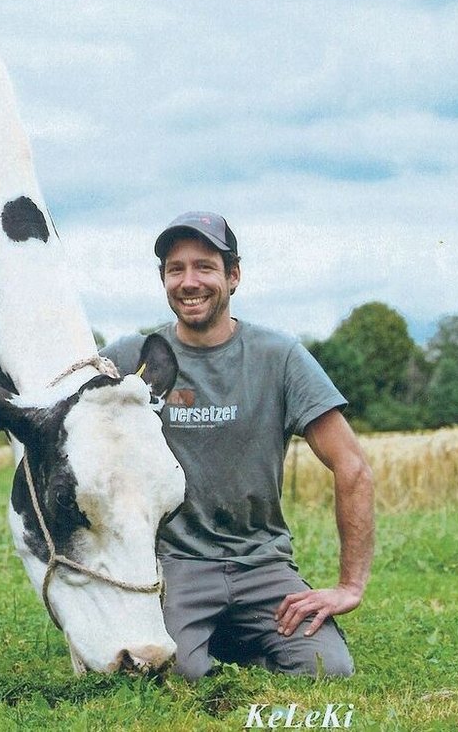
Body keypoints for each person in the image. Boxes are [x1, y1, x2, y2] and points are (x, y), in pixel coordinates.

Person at [101, 211, 374, 679]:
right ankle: (208, 635)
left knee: (327, 670)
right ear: (163, 279)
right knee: (174, 676)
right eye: (175, 269)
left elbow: (353, 467)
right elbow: (65, 424)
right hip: (175, 565)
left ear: (233, 275)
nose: (189, 282)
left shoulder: (279, 356)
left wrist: (350, 586)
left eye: (205, 266)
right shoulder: (131, 358)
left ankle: (225, 634)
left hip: (261, 564)